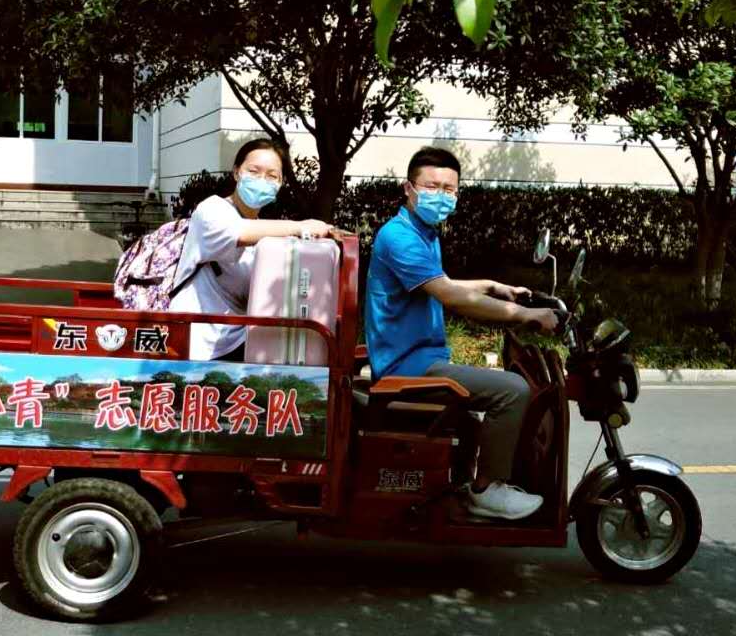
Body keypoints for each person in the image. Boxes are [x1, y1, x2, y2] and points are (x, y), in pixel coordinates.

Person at [365, 146, 559, 521]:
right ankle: (488, 490)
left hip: (419, 359)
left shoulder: (422, 233)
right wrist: (524, 315)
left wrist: (492, 286)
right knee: (512, 390)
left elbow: (441, 282)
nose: (441, 195)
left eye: (449, 189)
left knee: (478, 412)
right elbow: (450, 296)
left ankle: (464, 487)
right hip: (407, 367)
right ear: (408, 188)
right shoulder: (399, 237)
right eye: (431, 186)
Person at [170, 138, 332, 360]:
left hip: (238, 339)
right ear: (237, 172)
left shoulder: (264, 233)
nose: (262, 181)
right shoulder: (211, 210)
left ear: (280, 183)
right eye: (254, 171)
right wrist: (301, 226)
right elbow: (239, 232)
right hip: (196, 343)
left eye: (272, 176)